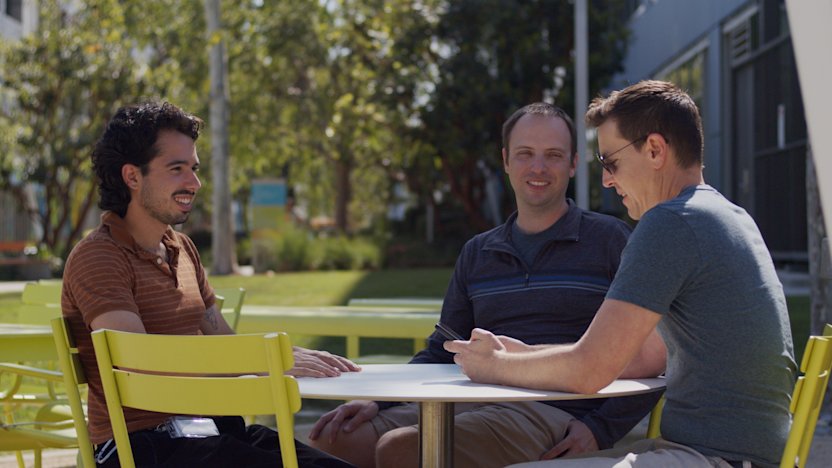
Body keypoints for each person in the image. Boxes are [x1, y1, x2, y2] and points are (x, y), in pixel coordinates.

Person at [446, 81, 797, 468]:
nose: (606, 180)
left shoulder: (671, 223)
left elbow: (590, 369)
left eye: (610, 162)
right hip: (735, 453)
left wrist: (494, 366)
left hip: (717, 458)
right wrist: (524, 354)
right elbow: (642, 357)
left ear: (655, 150)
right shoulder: (725, 215)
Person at [307, 103, 665, 468]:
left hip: (555, 409)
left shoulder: (611, 241)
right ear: (506, 161)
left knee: (401, 449)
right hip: (472, 397)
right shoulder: (478, 251)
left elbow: (654, 360)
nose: (538, 167)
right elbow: (444, 348)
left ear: (573, 164)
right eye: (525, 154)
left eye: (553, 155)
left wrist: (599, 429)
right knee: (334, 438)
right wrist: (378, 401)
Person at [61, 101, 360, 467]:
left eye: (194, 168)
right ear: (132, 177)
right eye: (177, 169)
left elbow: (222, 340)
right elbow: (139, 364)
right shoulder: (99, 256)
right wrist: (263, 359)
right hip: (141, 448)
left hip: (210, 431)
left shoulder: (183, 248)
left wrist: (280, 358)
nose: (194, 183)